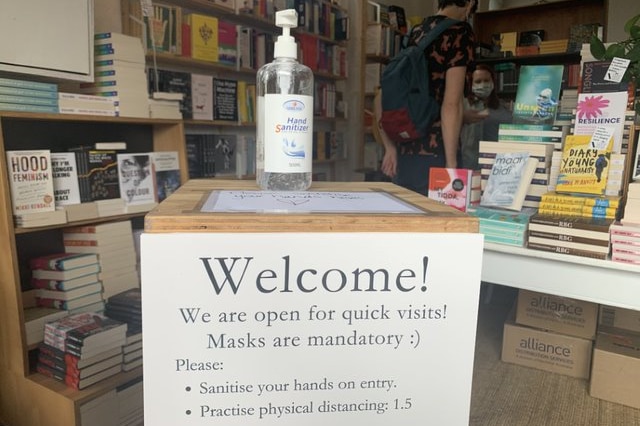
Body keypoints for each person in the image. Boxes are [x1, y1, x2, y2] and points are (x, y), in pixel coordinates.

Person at [379, 0, 477, 196]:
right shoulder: (460, 31)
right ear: (470, 4)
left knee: (408, 221)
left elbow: (384, 95)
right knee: (441, 222)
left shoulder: (415, 32)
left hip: (404, 151)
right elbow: (451, 103)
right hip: (436, 153)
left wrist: (390, 147)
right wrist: (451, 165)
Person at [460, 63, 513, 170]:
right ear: (471, 84)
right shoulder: (462, 106)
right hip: (470, 164)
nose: (483, 84)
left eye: (486, 80)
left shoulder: (504, 108)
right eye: (478, 81)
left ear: (493, 82)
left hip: (498, 165)